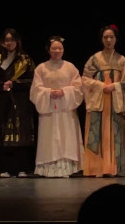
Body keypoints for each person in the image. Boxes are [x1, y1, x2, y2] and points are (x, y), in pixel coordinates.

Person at [81, 24, 125, 177]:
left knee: (115, 133)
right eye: (105, 37)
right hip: (99, 101)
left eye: (111, 37)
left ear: (116, 39)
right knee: (98, 133)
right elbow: (84, 79)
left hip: (115, 103)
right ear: (102, 39)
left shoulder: (122, 60)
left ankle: (114, 168)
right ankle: (97, 169)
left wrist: (115, 86)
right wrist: (100, 85)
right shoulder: (94, 59)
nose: (109, 40)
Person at [29, 36, 84, 177]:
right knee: (50, 137)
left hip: (65, 108)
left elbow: (78, 87)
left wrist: (64, 91)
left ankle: (68, 167)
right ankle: (47, 168)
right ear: (48, 50)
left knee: (66, 137)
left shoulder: (70, 67)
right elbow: (35, 89)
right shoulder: (41, 68)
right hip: (49, 108)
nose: (57, 50)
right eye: (54, 48)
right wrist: (48, 92)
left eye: (60, 48)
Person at [0, 28, 37, 178]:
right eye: (6, 40)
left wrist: (15, 83)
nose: (9, 43)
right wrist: (1, 85)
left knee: (20, 133)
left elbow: (33, 81)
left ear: (17, 41)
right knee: (4, 133)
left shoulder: (25, 59)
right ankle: (5, 168)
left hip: (20, 100)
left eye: (11, 39)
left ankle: (23, 167)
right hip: (2, 100)